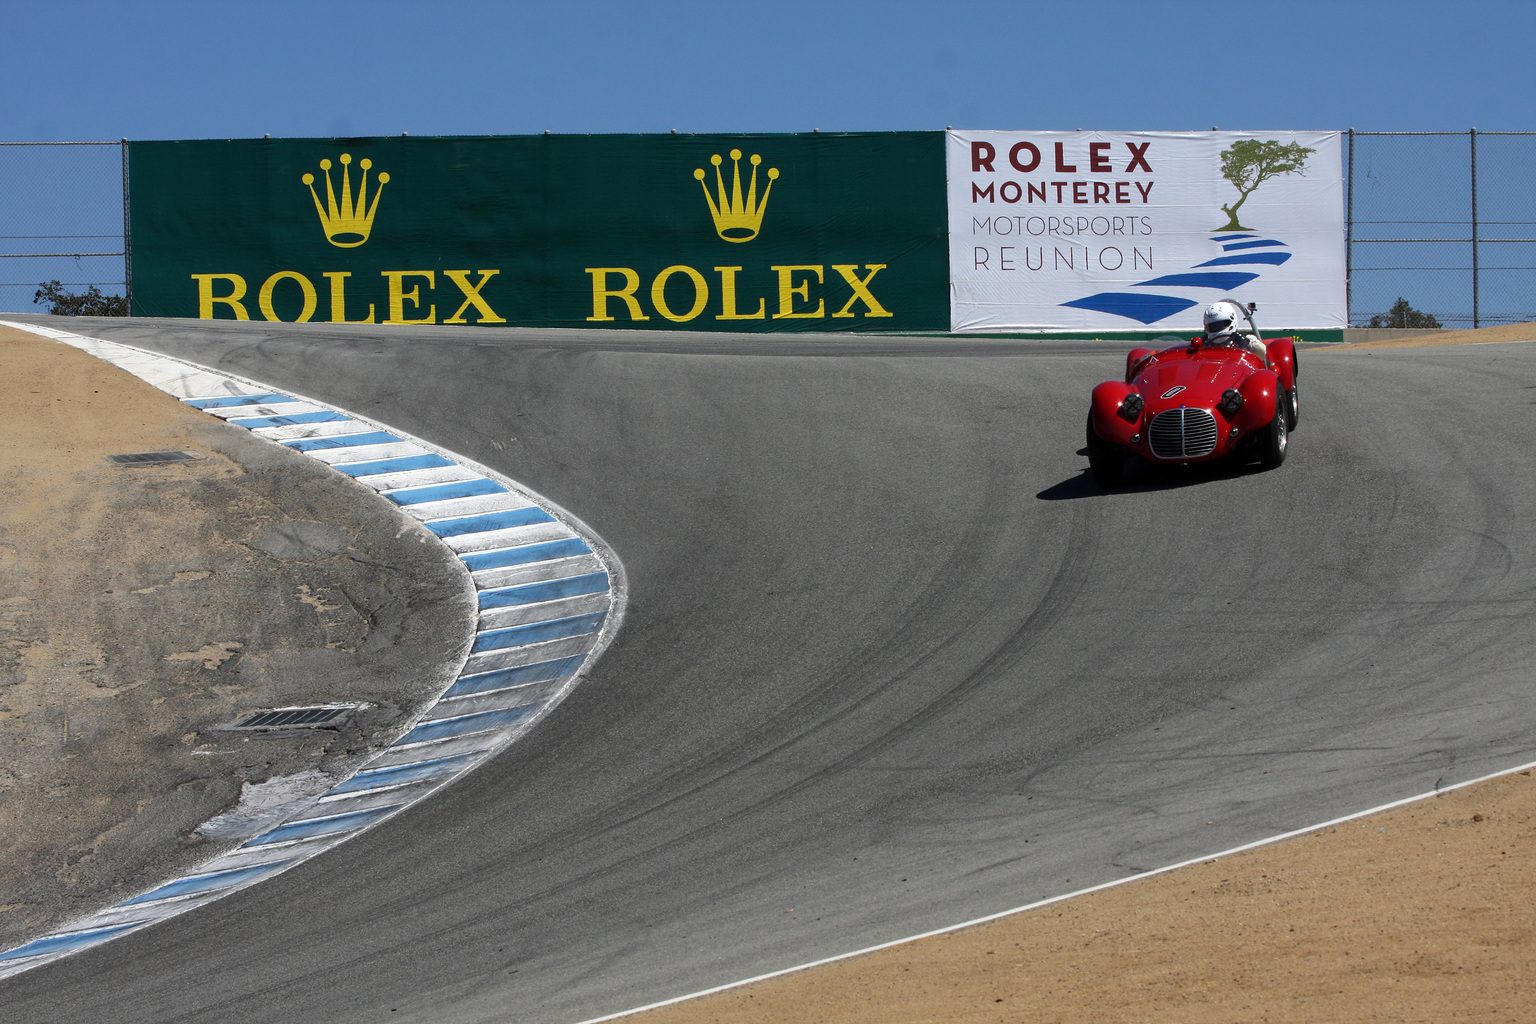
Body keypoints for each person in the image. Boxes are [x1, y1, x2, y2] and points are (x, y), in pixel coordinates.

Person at [1200, 300, 1267, 361]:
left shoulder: (1248, 339)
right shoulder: (1206, 344)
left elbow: (1261, 352)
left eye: (1221, 324)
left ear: (1232, 319)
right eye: (1212, 326)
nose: (1216, 328)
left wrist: (1245, 343)